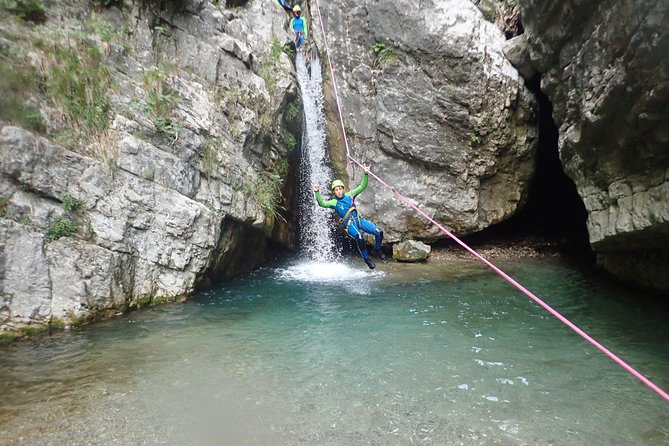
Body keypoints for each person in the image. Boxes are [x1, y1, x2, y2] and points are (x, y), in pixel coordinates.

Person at [313, 164, 387, 269]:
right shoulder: (334, 202)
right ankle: (367, 259)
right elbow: (322, 203)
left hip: (359, 220)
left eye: (340, 189)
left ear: (343, 189)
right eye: (336, 190)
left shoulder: (350, 195)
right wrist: (317, 192)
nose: (338, 191)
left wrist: (366, 173)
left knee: (379, 232)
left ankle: (377, 249)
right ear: (334, 192)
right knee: (360, 238)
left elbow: (362, 186)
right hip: (349, 224)